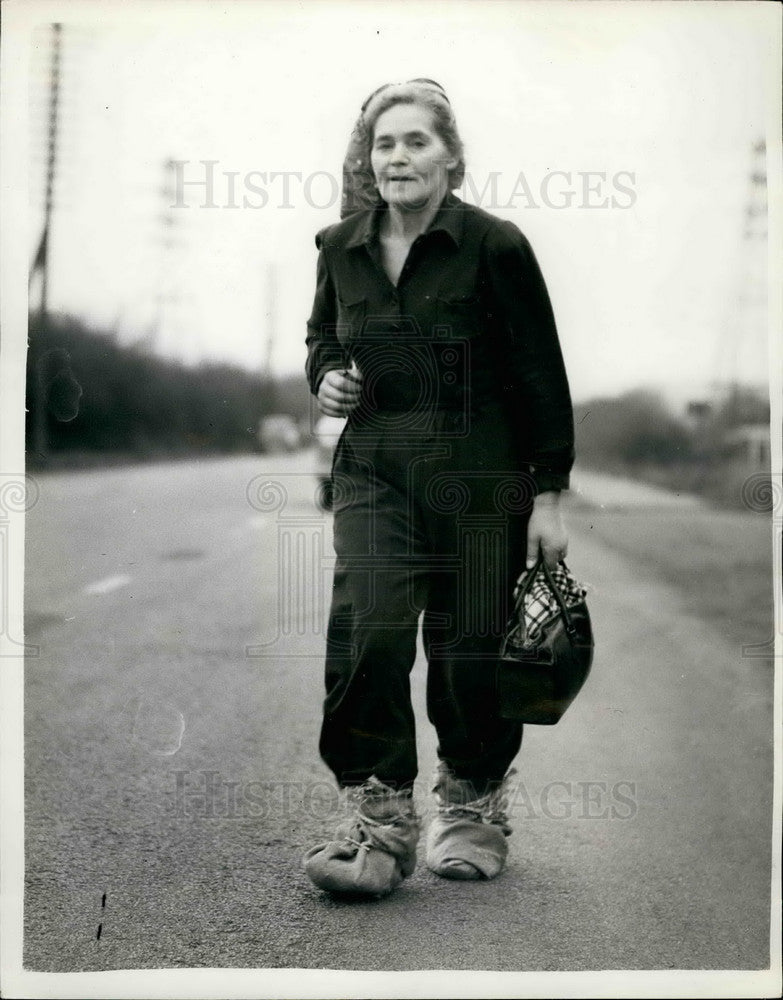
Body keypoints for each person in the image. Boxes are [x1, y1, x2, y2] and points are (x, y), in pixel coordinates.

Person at [303, 80, 574, 897]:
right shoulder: (338, 246)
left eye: (415, 142)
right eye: (384, 144)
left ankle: (470, 809)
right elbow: (321, 338)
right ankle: (378, 820)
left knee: (466, 653)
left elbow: (538, 373)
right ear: (367, 159)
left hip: (481, 481)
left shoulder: (495, 245)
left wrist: (550, 493)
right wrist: (326, 380)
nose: (398, 157)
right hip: (374, 472)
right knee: (371, 632)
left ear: (451, 158)